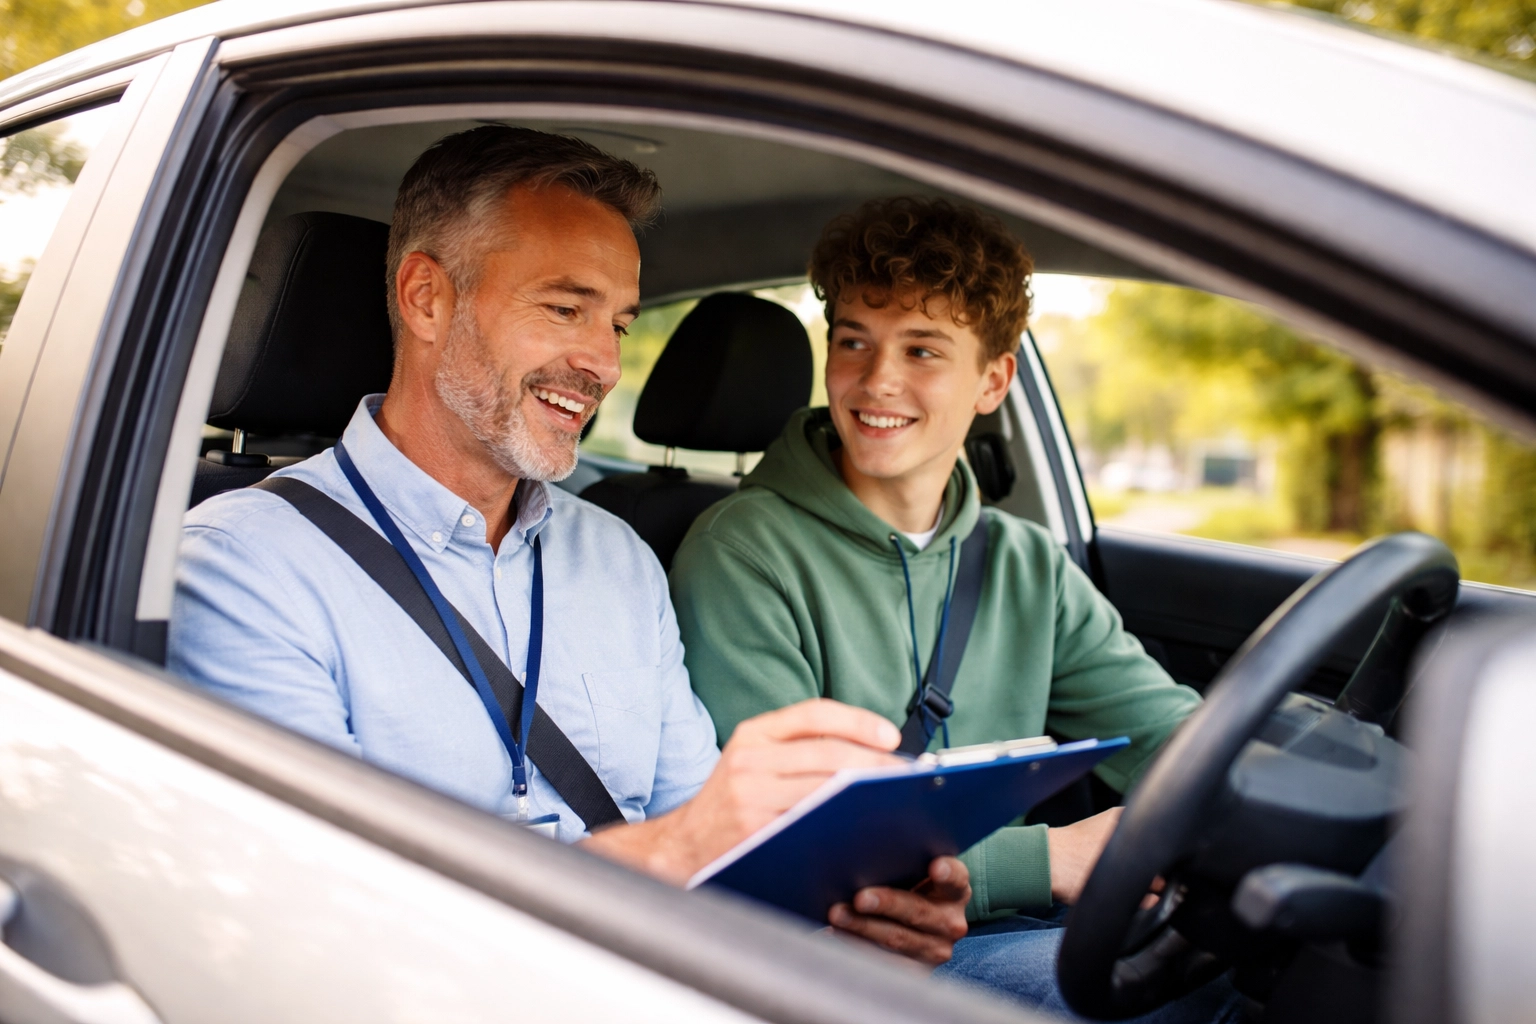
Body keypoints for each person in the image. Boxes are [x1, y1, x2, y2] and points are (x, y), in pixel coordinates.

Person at [169, 127, 969, 966]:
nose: (603, 363)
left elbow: (700, 828)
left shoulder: (619, 560)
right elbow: (332, 921)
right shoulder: (239, 567)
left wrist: (845, 910)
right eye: (564, 308)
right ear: (426, 298)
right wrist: (672, 851)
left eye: (618, 324)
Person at [669, 197, 1237, 1019]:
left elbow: (1169, 739)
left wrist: (1249, 798)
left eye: (922, 350)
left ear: (993, 382)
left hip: (1023, 929)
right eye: (854, 340)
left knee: (1249, 956)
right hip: (857, 954)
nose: (877, 381)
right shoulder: (742, 553)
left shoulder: (1022, 562)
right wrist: (1052, 858)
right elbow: (791, 843)